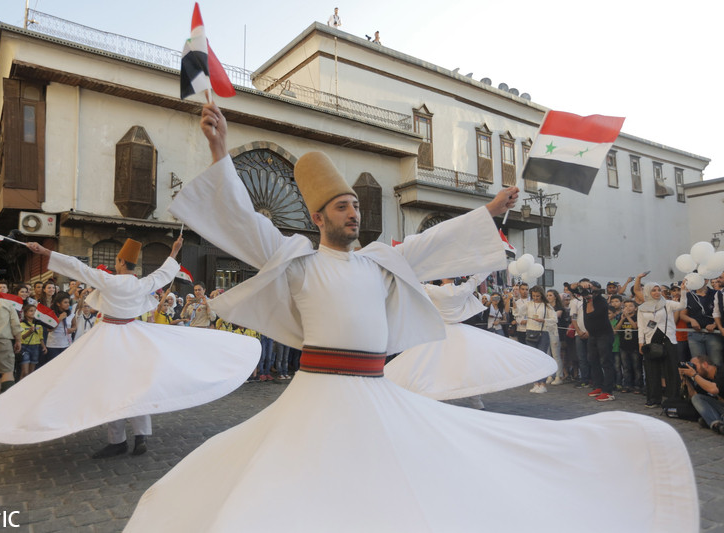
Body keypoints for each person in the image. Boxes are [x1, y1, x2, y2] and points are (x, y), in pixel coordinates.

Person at [124, 102, 698, 532]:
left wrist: (490, 210)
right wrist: (221, 151)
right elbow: (246, 221)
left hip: (375, 393)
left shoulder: (380, 263)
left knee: (397, 487)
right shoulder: (296, 261)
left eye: (355, 206)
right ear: (320, 218)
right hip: (318, 394)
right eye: (344, 207)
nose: (355, 214)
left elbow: (433, 245)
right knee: (296, 491)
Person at [0, 236, 259, 455]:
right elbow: (163, 273)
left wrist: (46, 252)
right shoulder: (142, 283)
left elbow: (77, 267)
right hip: (134, 334)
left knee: (111, 388)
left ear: (121, 264)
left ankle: (117, 440)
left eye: (117, 263)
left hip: (110, 335)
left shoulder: (108, 280)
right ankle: (140, 437)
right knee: (137, 386)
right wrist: (173, 250)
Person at [385, 275, 555, 402]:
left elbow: (412, 281)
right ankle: (475, 399)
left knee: (433, 364)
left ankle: (437, 395)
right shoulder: (461, 290)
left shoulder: (433, 289)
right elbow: (477, 278)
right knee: (466, 365)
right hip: (459, 331)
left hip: (441, 331)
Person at [638, 281, 687, 408]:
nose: (656, 293)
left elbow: (682, 305)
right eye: (653, 290)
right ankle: (654, 398)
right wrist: (640, 342)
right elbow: (641, 327)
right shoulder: (642, 307)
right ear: (648, 292)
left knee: (671, 370)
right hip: (650, 340)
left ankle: (673, 398)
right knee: (652, 371)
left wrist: (684, 291)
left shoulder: (668, 303)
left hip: (668, 339)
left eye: (658, 290)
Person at [679, 355, 724, 435]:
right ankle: (718, 424)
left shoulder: (721, 371)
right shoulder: (702, 378)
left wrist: (694, 375)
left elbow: (713, 389)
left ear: (705, 364)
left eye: (694, 366)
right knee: (697, 398)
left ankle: (712, 420)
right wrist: (685, 378)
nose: (693, 369)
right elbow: (693, 396)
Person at [525, 285, 556, 394]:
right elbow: (518, 314)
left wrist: (543, 320)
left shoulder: (547, 306)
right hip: (530, 331)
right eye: (533, 296)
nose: (535, 298)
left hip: (543, 333)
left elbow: (554, 319)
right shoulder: (528, 304)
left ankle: (542, 383)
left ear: (541, 295)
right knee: (533, 359)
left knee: (541, 358)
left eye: (537, 296)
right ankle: (536, 383)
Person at [19, 304, 46, 379]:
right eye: (31, 311)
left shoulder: (38, 324)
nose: (33, 312)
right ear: (25, 313)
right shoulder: (22, 324)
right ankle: (20, 387)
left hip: (36, 347)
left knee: (31, 372)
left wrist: (44, 347)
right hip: (25, 347)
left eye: (35, 311)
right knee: (25, 372)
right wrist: (29, 332)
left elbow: (41, 337)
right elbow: (22, 337)